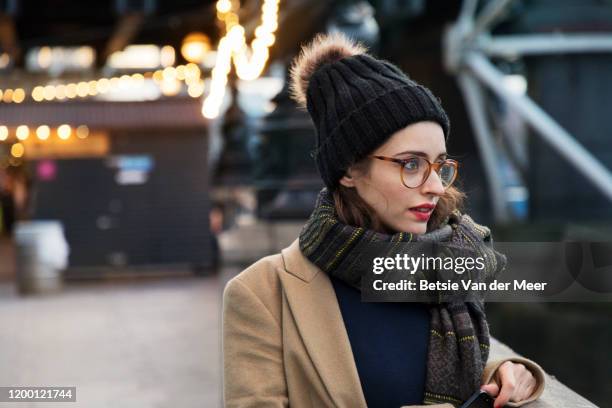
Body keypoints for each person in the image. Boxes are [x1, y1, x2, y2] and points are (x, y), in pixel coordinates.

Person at [222, 32, 545, 408]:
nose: (436, 188)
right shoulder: (262, 294)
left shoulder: (449, 265)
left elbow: (426, 365)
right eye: (411, 164)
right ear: (348, 170)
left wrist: (503, 372)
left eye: (439, 166)